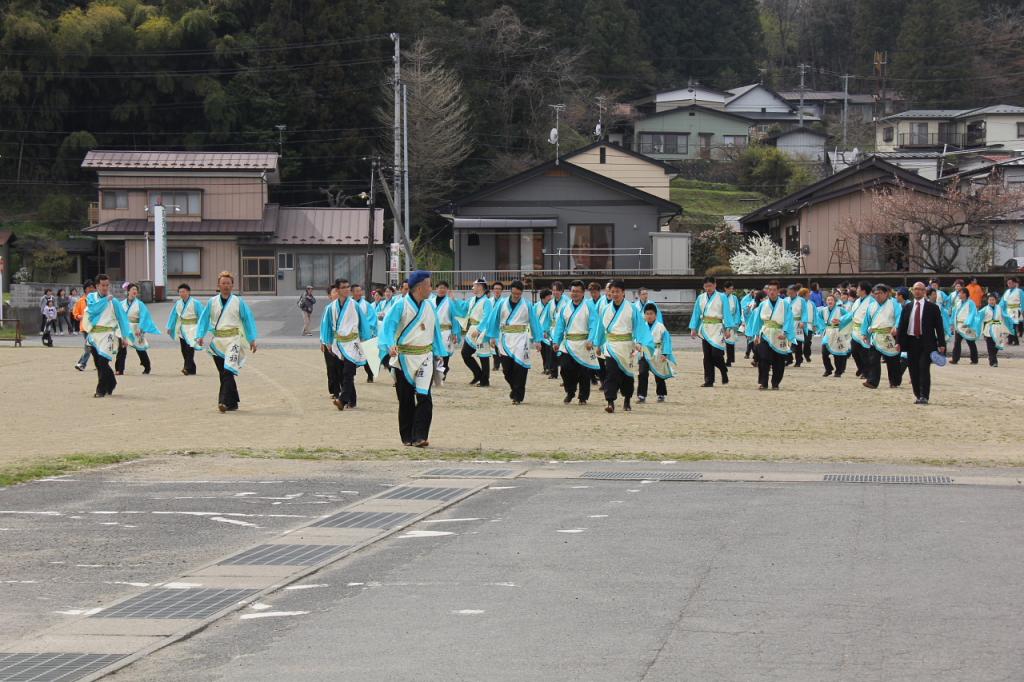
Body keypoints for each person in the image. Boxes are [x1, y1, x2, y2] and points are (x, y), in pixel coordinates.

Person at [379, 270, 448, 447]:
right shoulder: (400, 305)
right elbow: (387, 327)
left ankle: (420, 436)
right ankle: (407, 436)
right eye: (429, 285)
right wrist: (389, 345)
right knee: (406, 399)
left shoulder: (429, 306)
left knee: (425, 397)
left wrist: (439, 353)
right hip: (404, 358)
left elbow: (436, 331)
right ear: (419, 287)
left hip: (425, 356)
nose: (431, 288)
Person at [195, 271, 259, 413]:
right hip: (218, 341)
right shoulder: (212, 302)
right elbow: (204, 319)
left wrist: (251, 339)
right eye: (223, 283)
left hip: (233, 340)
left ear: (232, 285)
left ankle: (223, 402)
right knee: (223, 373)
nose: (225, 286)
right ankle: (233, 402)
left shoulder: (238, 302)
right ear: (219, 285)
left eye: (228, 283)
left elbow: (247, 320)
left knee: (228, 370)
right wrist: (200, 336)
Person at [592, 280, 653, 413]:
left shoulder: (632, 308)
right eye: (612, 291)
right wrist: (598, 343)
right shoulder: (605, 309)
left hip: (627, 346)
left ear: (623, 293)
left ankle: (627, 400)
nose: (614, 294)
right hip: (611, 346)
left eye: (617, 292)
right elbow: (600, 328)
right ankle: (610, 401)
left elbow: (639, 327)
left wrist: (639, 342)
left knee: (626, 374)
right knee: (611, 373)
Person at [481, 280, 543, 405]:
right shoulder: (501, 303)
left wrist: (537, 340)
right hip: (505, 338)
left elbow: (534, 322)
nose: (516, 296)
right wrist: (492, 336)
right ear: (511, 291)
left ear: (522, 293)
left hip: (521, 338)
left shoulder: (527, 304)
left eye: (518, 294)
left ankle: (518, 396)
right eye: (514, 293)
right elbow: (494, 319)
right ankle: (514, 388)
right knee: (507, 369)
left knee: (520, 368)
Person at [321, 278, 374, 410]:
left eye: (347, 287)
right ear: (337, 290)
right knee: (341, 374)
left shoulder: (354, 305)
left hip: (353, 343)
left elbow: (364, 323)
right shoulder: (330, 308)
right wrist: (327, 341)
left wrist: (365, 339)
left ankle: (342, 400)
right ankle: (352, 400)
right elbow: (326, 326)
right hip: (338, 344)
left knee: (348, 373)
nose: (346, 289)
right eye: (343, 287)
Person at [81, 274, 134, 398]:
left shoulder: (114, 301)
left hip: (108, 334)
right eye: (102, 285)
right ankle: (111, 383)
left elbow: (122, 319)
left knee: (103, 361)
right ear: (97, 286)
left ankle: (100, 390)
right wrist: (106, 300)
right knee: (98, 363)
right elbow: (93, 309)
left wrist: (125, 337)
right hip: (94, 334)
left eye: (107, 285)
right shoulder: (91, 297)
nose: (105, 288)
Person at [897, 281, 946, 405]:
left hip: (927, 343)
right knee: (913, 369)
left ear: (924, 292)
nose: (918, 291)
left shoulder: (933, 308)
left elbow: (939, 327)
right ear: (912, 291)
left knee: (924, 368)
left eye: (920, 289)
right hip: (911, 342)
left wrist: (941, 343)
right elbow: (901, 326)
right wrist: (898, 342)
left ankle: (924, 396)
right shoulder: (907, 307)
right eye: (915, 289)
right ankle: (918, 394)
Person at [551, 280, 599, 405]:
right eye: (573, 291)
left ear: (583, 293)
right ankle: (570, 391)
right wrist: (556, 341)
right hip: (568, 343)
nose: (575, 294)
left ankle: (583, 397)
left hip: (584, 344)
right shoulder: (565, 307)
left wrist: (591, 340)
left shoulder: (589, 306)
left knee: (584, 372)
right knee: (565, 369)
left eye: (578, 291)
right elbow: (560, 326)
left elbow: (594, 324)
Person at [748, 280, 794, 390]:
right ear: (767, 291)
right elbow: (758, 321)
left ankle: (775, 382)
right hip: (765, 333)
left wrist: (785, 332)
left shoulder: (785, 304)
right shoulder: (763, 304)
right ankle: (764, 382)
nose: (772, 292)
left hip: (779, 333)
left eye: (774, 290)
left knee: (779, 360)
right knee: (763, 358)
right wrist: (756, 335)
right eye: (770, 290)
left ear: (778, 291)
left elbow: (789, 319)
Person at [689, 276, 735, 387]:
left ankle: (723, 370)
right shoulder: (700, 298)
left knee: (716, 355)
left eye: (710, 286)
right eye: (706, 286)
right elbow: (696, 313)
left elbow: (727, 313)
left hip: (718, 327)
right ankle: (709, 380)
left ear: (715, 285)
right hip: (705, 328)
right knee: (707, 356)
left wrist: (728, 328)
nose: (708, 288)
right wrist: (693, 328)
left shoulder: (722, 297)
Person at [861, 284, 902, 389]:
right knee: (873, 359)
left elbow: (899, 317)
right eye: (876, 293)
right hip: (876, 336)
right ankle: (872, 381)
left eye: (880, 293)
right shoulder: (871, 306)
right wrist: (864, 333)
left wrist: (896, 327)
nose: (878, 295)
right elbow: (866, 321)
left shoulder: (894, 304)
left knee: (892, 360)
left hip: (890, 335)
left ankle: (894, 381)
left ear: (886, 294)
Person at [114, 283, 158, 375]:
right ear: (128, 291)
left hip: (136, 328)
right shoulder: (121, 304)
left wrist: (140, 328)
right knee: (122, 348)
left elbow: (144, 316)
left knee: (140, 348)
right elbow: (118, 316)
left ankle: (147, 366)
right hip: (124, 328)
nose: (134, 291)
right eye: (133, 289)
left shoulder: (140, 304)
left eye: (136, 290)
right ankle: (119, 369)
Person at [637, 303, 675, 403]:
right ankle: (641, 395)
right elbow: (637, 339)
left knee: (659, 375)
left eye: (651, 314)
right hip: (644, 353)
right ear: (644, 315)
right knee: (642, 373)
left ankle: (661, 394)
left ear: (655, 315)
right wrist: (637, 345)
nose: (649, 316)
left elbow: (667, 340)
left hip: (657, 352)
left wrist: (665, 353)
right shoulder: (641, 327)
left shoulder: (660, 327)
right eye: (647, 314)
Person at [166, 283, 205, 375]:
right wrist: (169, 326)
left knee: (189, 348)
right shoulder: (178, 303)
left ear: (188, 292)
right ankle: (192, 369)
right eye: (180, 292)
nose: (181, 293)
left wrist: (201, 330)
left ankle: (186, 368)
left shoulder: (196, 303)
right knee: (183, 349)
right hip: (182, 329)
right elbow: (173, 315)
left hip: (193, 328)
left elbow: (202, 316)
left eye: (183, 291)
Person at [461, 278, 493, 387]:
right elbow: (463, 307)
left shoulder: (487, 301)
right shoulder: (472, 299)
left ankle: (485, 380)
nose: (472, 288)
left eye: (474, 286)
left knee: (483, 355)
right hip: (472, 329)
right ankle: (478, 374)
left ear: (480, 287)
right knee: (465, 353)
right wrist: (453, 301)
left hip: (481, 330)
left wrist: (479, 329)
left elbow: (487, 317)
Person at [815, 293, 852, 378]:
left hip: (838, 332)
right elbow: (819, 319)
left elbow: (848, 317)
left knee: (837, 353)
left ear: (835, 301)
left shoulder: (840, 310)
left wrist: (841, 323)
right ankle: (828, 369)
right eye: (828, 300)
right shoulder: (823, 310)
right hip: (828, 332)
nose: (830, 301)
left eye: (831, 300)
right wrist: (822, 328)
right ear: (826, 301)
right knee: (824, 351)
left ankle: (838, 371)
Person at [431, 281, 462, 379]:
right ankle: (440, 370)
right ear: (436, 289)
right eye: (440, 287)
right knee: (434, 352)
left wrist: (455, 332)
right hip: (433, 331)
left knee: (445, 352)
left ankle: (443, 371)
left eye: (444, 288)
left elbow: (455, 318)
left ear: (447, 289)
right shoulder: (430, 301)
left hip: (446, 331)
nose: (442, 289)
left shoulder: (450, 302)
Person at [848, 281, 875, 378]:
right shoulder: (857, 301)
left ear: (863, 290)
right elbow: (851, 314)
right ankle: (861, 368)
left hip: (866, 330)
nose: (857, 290)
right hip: (856, 330)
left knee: (864, 353)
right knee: (854, 350)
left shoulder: (871, 301)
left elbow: (873, 316)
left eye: (858, 288)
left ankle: (866, 372)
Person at [542, 281, 569, 379]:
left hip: (563, 331)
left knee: (563, 354)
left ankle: (564, 375)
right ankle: (553, 372)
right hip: (553, 330)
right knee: (552, 352)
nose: (555, 292)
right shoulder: (550, 303)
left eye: (557, 290)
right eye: (553, 290)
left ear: (562, 291)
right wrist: (545, 330)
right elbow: (547, 318)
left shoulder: (567, 301)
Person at [351, 284, 378, 382]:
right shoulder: (349, 304)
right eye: (356, 291)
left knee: (366, 357)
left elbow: (371, 320)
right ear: (352, 292)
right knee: (351, 356)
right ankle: (351, 376)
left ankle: (370, 375)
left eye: (360, 291)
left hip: (364, 335)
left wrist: (367, 331)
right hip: (352, 335)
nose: (358, 293)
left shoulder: (366, 305)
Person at [979, 292, 1014, 367]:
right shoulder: (984, 309)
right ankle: (993, 362)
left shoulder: (999, 308)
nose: (991, 301)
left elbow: (1005, 316)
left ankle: (991, 357)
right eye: (990, 300)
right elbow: (978, 318)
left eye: (993, 300)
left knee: (997, 345)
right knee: (990, 346)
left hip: (998, 328)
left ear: (996, 300)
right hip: (988, 329)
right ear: (987, 301)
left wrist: (1010, 322)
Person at [320, 283, 342, 397]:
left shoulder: (345, 307)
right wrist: (323, 341)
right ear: (330, 296)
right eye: (334, 292)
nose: (337, 294)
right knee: (331, 367)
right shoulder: (328, 308)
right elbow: (324, 326)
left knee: (341, 367)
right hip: (330, 342)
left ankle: (344, 389)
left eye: (338, 292)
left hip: (342, 343)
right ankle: (335, 390)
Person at [950, 288, 981, 365]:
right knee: (957, 343)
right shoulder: (958, 303)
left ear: (965, 294)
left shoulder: (971, 303)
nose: (959, 295)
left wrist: (968, 322)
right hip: (958, 325)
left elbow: (973, 313)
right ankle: (955, 359)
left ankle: (974, 359)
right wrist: (952, 323)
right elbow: (954, 313)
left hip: (967, 325)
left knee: (971, 342)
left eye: (960, 293)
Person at [786, 284, 812, 367]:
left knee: (798, 343)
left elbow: (804, 312)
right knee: (787, 342)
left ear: (795, 292)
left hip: (797, 322)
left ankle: (798, 360)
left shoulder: (801, 300)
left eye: (791, 292)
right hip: (788, 323)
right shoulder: (785, 300)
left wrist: (803, 321)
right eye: (789, 292)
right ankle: (789, 359)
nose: (790, 294)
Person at [72, 280, 95, 371]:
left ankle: (82, 363)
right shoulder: (80, 301)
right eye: (89, 288)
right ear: (85, 289)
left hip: (95, 327)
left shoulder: (97, 300)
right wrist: (78, 316)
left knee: (90, 346)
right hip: (85, 327)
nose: (91, 289)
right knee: (89, 346)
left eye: (93, 287)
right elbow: (75, 312)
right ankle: (83, 363)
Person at [534, 288, 555, 377]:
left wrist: (548, 330)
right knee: (543, 352)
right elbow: (534, 320)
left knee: (549, 351)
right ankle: (545, 367)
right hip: (539, 332)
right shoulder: (536, 306)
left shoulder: (551, 305)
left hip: (548, 332)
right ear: (543, 297)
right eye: (548, 296)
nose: (550, 297)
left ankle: (549, 368)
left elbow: (552, 320)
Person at [722, 282, 740, 367]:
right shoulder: (720, 297)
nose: (731, 290)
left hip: (731, 321)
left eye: (732, 288)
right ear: (725, 288)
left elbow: (737, 311)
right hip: (721, 320)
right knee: (720, 340)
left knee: (730, 341)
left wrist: (736, 322)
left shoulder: (735, 298)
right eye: (730, 288)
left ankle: (729, 360)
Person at [1001, 277, 1022, 345]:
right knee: (1008, 325)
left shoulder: (1019, 291)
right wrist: (999, 308)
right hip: (1008, 310)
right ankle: (1010, 340)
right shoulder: (1007, 292)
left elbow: (1023, 301)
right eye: (1008, 283)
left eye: (1010, 283)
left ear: (1014, 283)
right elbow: (1003, 302)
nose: (1009, 285)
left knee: (1013, 326)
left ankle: (1015, 341)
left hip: (1016, 310)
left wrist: (1023, 310)